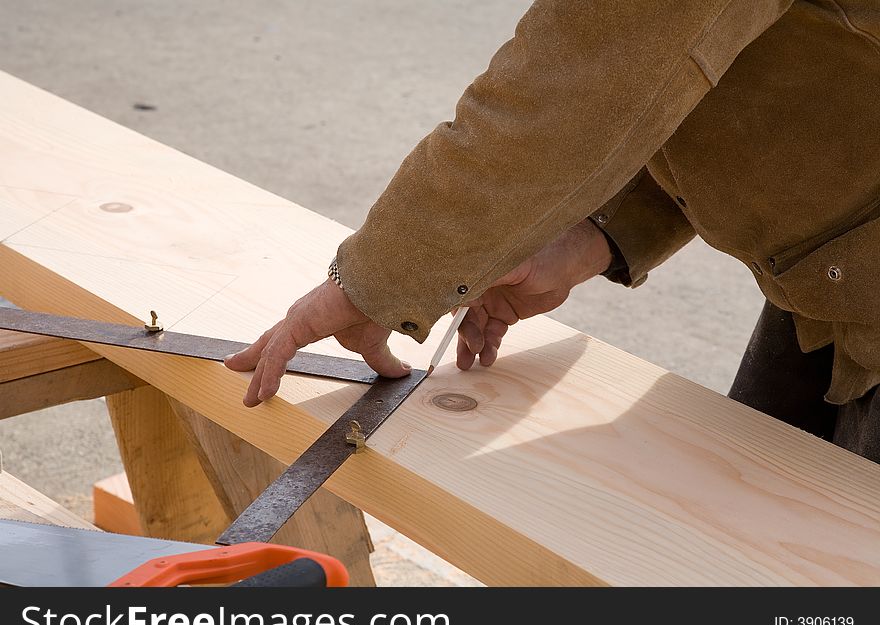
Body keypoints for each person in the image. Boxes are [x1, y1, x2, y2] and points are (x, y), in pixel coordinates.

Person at [225, 1, 880, 463]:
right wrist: (590, 236)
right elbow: (701, 63)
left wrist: (372, 282)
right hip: (833, 269)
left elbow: (568, 89)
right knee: (739, 538)